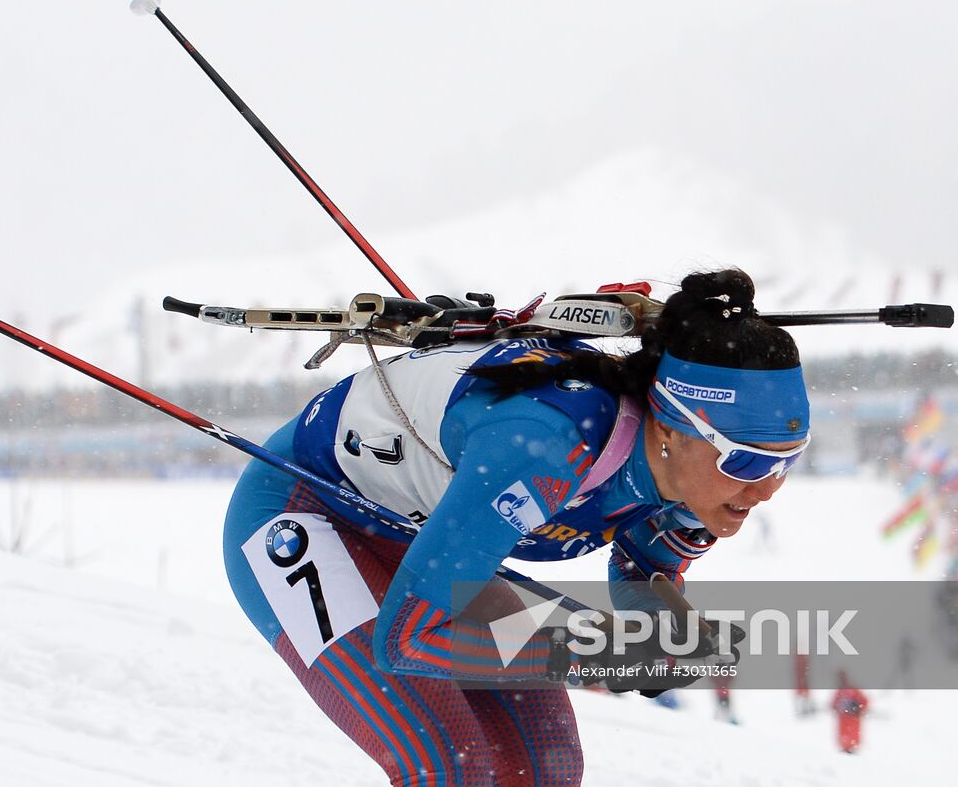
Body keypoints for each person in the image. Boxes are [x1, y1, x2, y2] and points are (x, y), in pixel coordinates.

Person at [223, 269, 811, 786]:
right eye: (747, 460)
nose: (765, 489)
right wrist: (604, 655)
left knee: (547, 765)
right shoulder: (545, 448)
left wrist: (664, 636)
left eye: (788, 460)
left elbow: (646, 566)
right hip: (303, 512)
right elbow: (407, 641)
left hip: (416, 532)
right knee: (449, 766)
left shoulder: (694, 484)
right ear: (672, 429)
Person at [832, 671, 870, 754]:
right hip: (844, 722)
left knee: (852, 740)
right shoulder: (839, 692)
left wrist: (857, 708)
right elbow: (834, 704)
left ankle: (851, 749)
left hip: (853, 722)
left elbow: (864, 702)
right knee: (845, 739)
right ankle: (846, 748)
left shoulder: (854, 690)